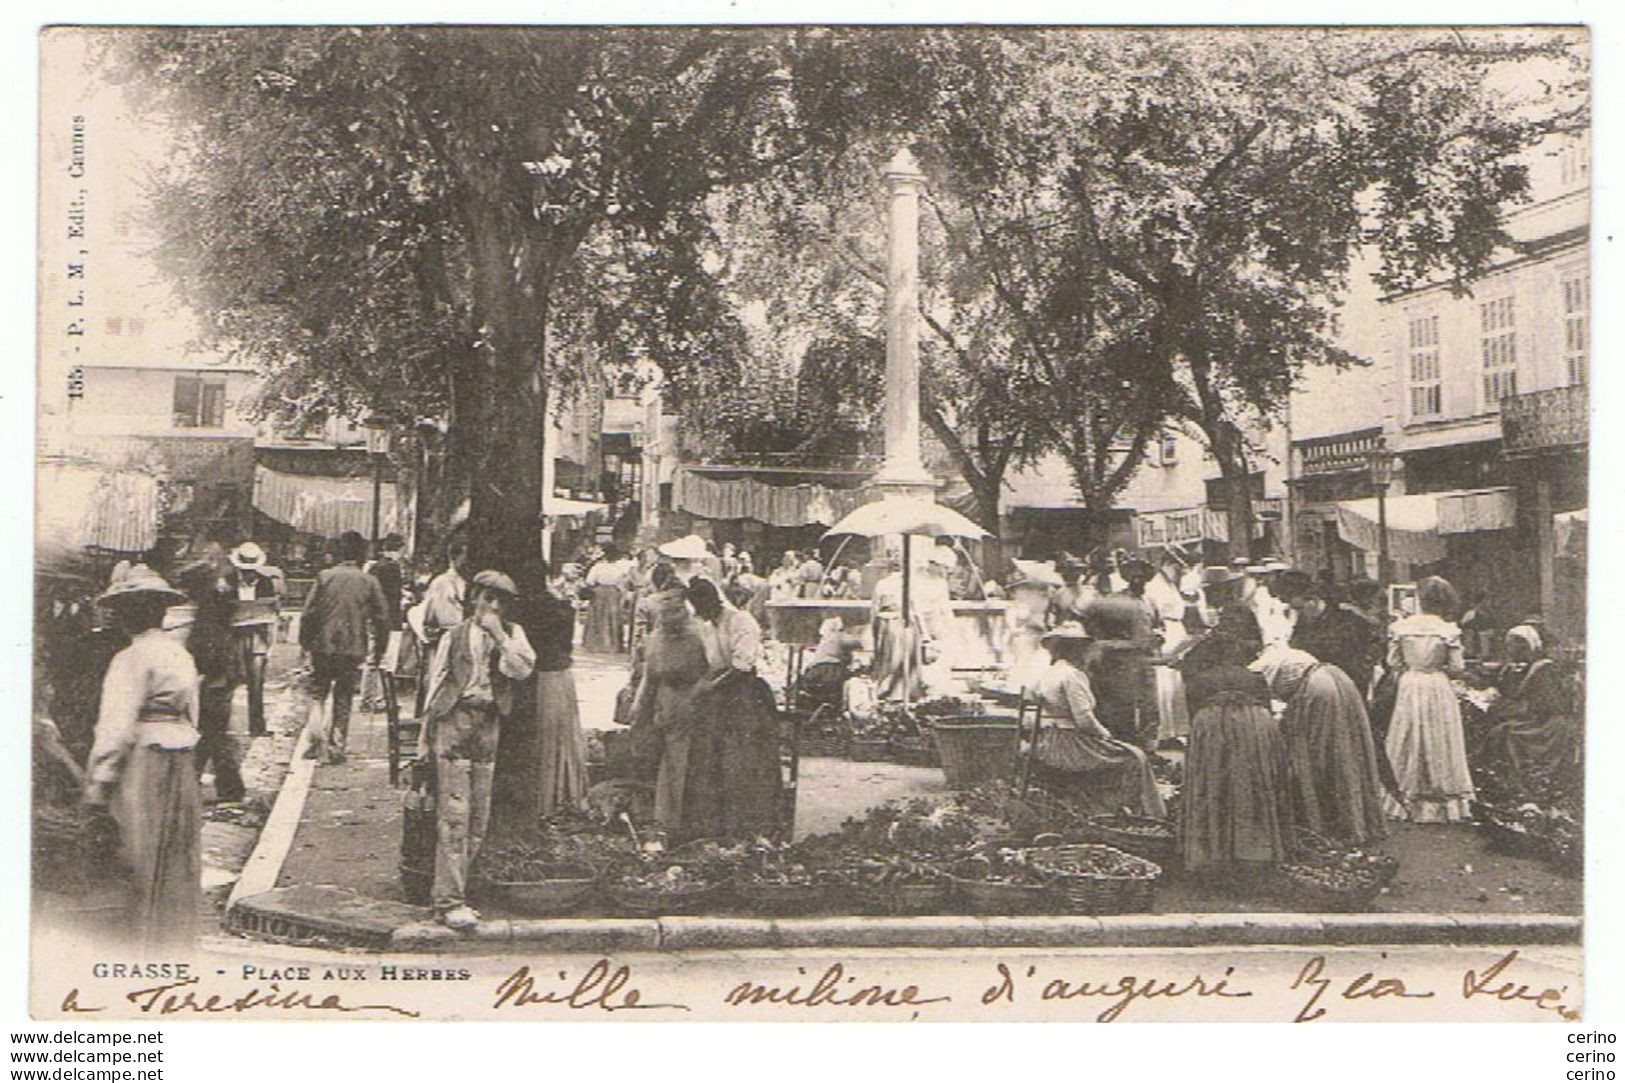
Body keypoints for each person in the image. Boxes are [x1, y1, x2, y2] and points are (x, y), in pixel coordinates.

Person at [82, 566, 201, 949]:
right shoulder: (179, 653)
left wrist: (100, 781)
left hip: (143, 758)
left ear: (129, 614)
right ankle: (173, 941)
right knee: (175, 854)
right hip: (180, 754)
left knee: (139, 851)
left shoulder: (129, 659)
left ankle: (140, 944)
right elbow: (192, 711)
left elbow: (116, 726)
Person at [421, 570, 536, 929]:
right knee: (455, 812)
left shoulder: (513, 636)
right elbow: (437, 681)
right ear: (474, 597)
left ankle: (458, 893)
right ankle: (449, 901)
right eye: (487, 598)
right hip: (454, 722)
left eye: (501, 602)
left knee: (479, 817)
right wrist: (426, 738)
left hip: (488, 724)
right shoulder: (454, 636)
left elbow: (521, 671)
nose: (493, 606)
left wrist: (500, 635)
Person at [1176, 605, 1293, 878]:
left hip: (1211, 730)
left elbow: (1193, 714)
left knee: (1213, 785)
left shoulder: (1201, 679)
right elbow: (1267, 709)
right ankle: (1254, 850)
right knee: (1251, 785)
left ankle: (1214, 850)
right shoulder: (1254, 678)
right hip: (1254, 729)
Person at [1030, 624, 1166, 818]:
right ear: (1075, 650)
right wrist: (1104, 735)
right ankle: (1142, 813)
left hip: (1049, 739)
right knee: (1136, 757)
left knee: (1127, 753)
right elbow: (1084, 719)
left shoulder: (1049, 673)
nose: (1087, 654)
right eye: (1084, 649)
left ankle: (1105, 806)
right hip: (1069, 744)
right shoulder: (1072, 676)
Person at [1255, 646, 1387, 845]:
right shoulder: (1282, 653)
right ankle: (1353, 819)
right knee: (1344, 746)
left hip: (1318, 688)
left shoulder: (1260, 666)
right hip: (1335, 678)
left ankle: (1326, 822)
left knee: (1321, 753)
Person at [685, 578, 781, 840]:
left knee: (740, 760)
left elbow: (741, 667)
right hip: (718, 696)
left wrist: (710, 687)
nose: (698, 613)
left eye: (700, 606)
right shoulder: (708, 626)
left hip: (743, 695)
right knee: (711, 759)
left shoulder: (741, 621)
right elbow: (712, 663)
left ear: (712, 601)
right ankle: (715, 824)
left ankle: (747, 825)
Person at [1383, 576, 1474, 823]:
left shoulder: (1401, 627)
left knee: (1408, 734)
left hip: (1410, 683)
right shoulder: (1448, 630)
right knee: (1438, 736)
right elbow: (1456, 667)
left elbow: (1393, 663)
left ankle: (1403, 797)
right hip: (1436, 684)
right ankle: (1441, 799)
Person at [299, 531, 389, 764]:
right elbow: (382, 618)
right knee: (343, 697)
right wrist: (380, 649)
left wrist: (305, 643)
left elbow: (308, 613)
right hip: (353, 647)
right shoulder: (369, 581)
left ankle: (315, 735)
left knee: (318, 692)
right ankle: (337, 747)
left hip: (322, 644)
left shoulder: (324, 577)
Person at [631, 594, 712, 840]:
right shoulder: (657, 640)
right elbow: (650, 676)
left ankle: (679, 819)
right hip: (666, 702)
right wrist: (639, 707)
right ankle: (666, 817)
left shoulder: (696, 638)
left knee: (683, 761)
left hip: (690, 701)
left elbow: (704, 671)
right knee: (667, 761)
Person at [176, 560, 246, 804]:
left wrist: (200, 674)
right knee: (212, 733)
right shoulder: (216, 604)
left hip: (214, 678)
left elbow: (207, 649)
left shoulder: (207, 611)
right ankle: (217, 785)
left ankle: (223, 786)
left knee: (211, 733)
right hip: (220, 676)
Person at [1483, 624, 1581, 786]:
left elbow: (1545, 704)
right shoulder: (1512, 667)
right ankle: (1497, 778)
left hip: (1546, 723)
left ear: (1527, 646)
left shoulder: (1543, 669)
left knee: (1504, 731)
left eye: (1515, 644)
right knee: (1492, 726)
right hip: (1529, 716)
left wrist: (1507, 708)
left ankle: (1516, 780)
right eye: (1509, 644)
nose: (1510, 649)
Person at [533, 570, 588, 816]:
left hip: (547, 678)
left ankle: (548, 798)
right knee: (562, 737)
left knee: (547, 736)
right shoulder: (563, 607)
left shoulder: (536, 609)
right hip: (562, 677)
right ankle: (563, 793)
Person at [1279, 571, 1382, 700]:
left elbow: (1356, 661)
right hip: (1315, 689)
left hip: (1344, 688)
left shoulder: (1347, 620)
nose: (1298, 613)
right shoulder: (1306, 620)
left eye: (1300, 608)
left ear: (1312, 599)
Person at [227, 541, 282, 735]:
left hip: (257, 636)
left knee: (256, 681)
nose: (249, 574)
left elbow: (273, 610)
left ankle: (257, 726)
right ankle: (223, 726)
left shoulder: (265, 582)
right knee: (228, 681)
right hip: (233, 636)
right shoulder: (229, 581)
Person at [421, 539, 472, 646]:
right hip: (443, 635)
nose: (467, 562)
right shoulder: (440, 582)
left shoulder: (464, 582)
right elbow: (429, 613)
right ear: (454, 558)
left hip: (461, 636)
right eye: (464, 558)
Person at [581, 546, 630, 653]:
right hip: (614, 592)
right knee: (613, 617)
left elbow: (590, 581)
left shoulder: (598, 567)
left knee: (598, 616)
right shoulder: (620, 568)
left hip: (599, 592)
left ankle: (596, 644)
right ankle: (613, 644)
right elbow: (624, 582)